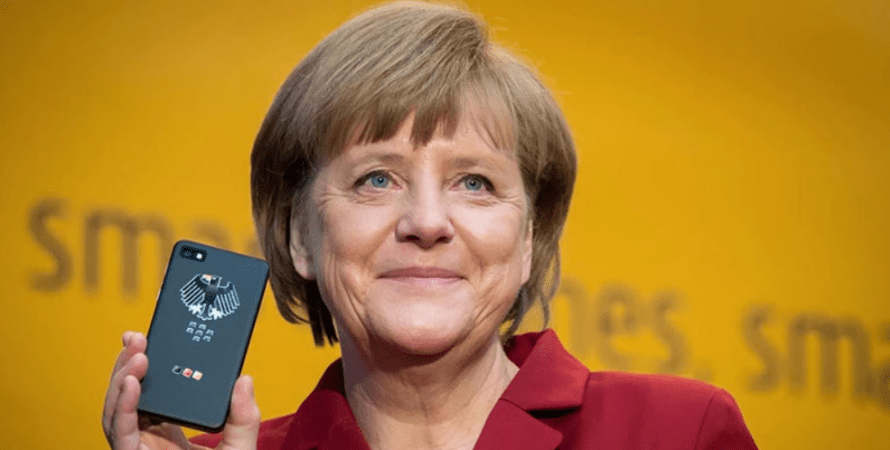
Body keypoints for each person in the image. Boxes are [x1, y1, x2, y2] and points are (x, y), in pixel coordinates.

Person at [103, 2, 758, 449]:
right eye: (376, 179)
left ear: (528, 240)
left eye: (475, 183)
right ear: (300, 233)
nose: (426, 222)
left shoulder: (678, 431)